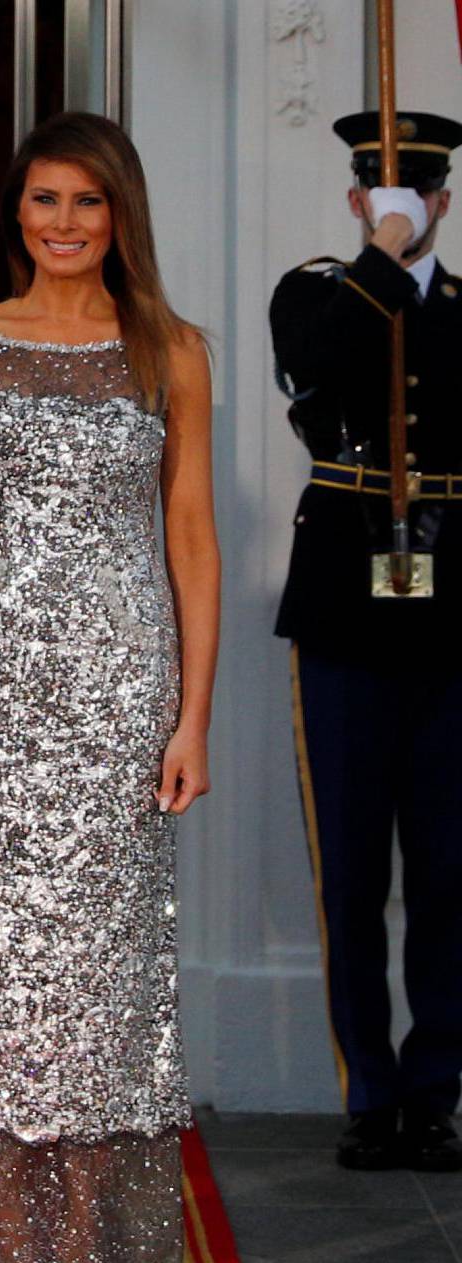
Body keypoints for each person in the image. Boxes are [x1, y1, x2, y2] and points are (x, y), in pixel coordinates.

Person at [0, 111, 219, 1263]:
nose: (65, 224)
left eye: (88, 203)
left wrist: (194, 715)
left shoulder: (172, 353)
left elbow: (189, 538)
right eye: (45, 201)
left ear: (121, 213)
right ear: (18, 211)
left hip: (116, 713)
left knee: (104, 1008)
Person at [270, 112, 462, 1176]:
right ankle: (370, 1089)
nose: (403, 203)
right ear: (357, 200)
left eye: (422, 190)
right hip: (348, 600)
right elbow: (314, 377)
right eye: (385, 192)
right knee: (350, 864)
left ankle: (436, 1089)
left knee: (448, 866)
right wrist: (380, 264)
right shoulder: (316, 292)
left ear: (444, 197)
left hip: (453, 604)